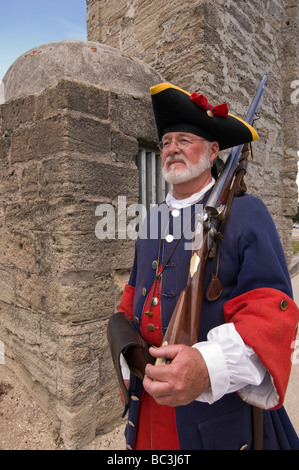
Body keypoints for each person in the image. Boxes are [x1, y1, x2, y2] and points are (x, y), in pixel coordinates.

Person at [116, 82, 299, 450]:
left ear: (214, 150)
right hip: (148, 397)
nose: (172, 149)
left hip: (212, 414)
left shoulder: (248, 213)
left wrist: (206, 367)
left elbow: (271, 319)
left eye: (184, 139)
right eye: (166, 142)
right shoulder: (153, 217)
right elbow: (134, 293)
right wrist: (126, 350)